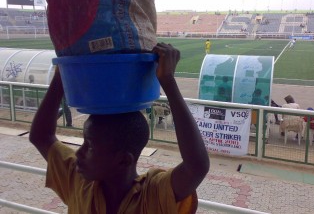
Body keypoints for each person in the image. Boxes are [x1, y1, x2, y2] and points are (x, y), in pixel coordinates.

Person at [29, 43, 210, 213]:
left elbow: (196, 166)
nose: (78, 154)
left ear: (124, 160)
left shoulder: (152, 194)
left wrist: (168, 81)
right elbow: (40, 136)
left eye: (90, 146)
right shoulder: (79, 180)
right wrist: (63, 71)